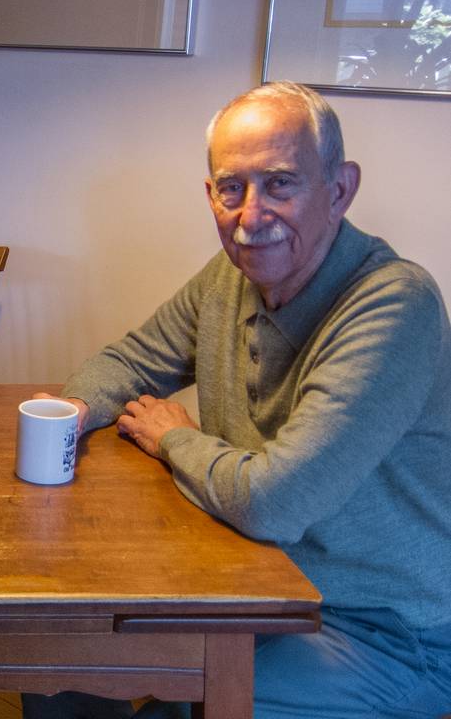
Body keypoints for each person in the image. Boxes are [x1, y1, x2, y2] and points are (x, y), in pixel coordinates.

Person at [23, 82, 451, 718]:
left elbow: (274, 501)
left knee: (186, 706)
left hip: (380, 630)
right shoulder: (232, 276)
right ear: (210, 195)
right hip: (249, 584)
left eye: (280, 183)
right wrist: (74, 411)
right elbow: (128, 360)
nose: (250, 215)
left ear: (339, 190)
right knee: (61, 654)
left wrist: (174, 438)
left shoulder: (394, 304)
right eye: (232, 187)